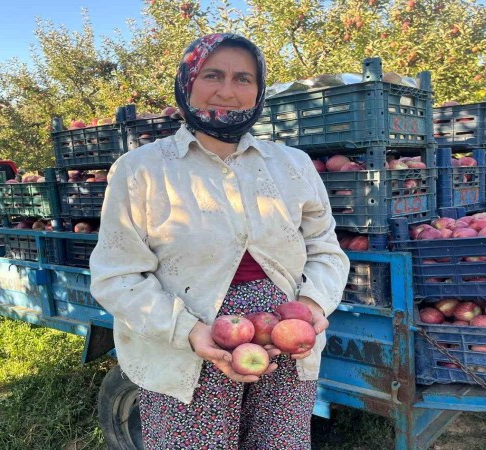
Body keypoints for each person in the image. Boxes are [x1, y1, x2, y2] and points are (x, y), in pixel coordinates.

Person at [90, 33, 349, 449]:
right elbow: (116, 277)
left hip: (284, 344)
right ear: (187, 83)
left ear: (259, 91)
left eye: (244, 79)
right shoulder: (141, 170)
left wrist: (313, 306)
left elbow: (325, 249)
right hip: (185, 349)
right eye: (213, 75)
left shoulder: (292, 165)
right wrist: (189, 332)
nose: (228, 91)